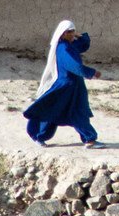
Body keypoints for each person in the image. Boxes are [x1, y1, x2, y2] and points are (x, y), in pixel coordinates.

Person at [24, 20, 106, 149]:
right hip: (64, 86)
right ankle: (39, 136)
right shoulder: (64, 48)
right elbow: (74, 66)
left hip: (76, 86)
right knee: (51, 111)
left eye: (73, 31)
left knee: (79, 112)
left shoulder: (70, 45)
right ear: (62, 34)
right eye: (69, 32)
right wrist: (92, 72)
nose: (72, 34)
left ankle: (89, 140)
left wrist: (80, 36)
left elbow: (83, 45)